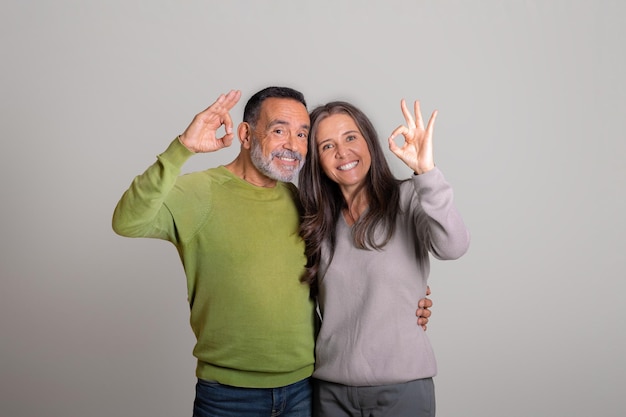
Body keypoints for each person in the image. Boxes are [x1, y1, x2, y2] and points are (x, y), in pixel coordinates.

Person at [112, 87, 433, 417]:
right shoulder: (201, 191)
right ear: (246, 134)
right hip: (228, 395)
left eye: (301, 134)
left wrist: (405, 299)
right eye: (279, 130)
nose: (293, 145)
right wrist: (182, 149)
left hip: (304, 389)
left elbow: (350, 271)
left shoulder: (303, 202)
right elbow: (128, 222)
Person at [298, 99, 470, 417]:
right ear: (317, 160)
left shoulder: (408, 198)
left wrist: (426, 172)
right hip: (331, 393)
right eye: (327, 145)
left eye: (351, 137)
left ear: (368, 141)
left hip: (403, 390)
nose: (342, 152)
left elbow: (454, 246)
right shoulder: (316, 223)